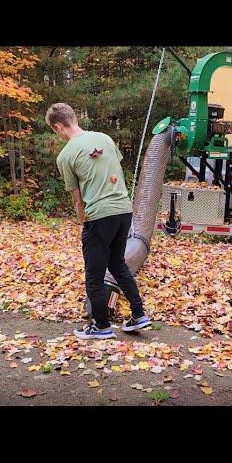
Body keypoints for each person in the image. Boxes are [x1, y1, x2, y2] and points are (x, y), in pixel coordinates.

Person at [46, 103, 152, 339]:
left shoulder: (66, 155)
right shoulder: (104, 138)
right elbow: (113, 168)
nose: (58, 135)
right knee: (117, 264)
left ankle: (101, 326)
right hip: (124, 210)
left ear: (58, 126)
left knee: (94, 273)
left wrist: (84, 223)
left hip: (99, 215)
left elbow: (77, 199)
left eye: (56, 131)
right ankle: (138, 315)